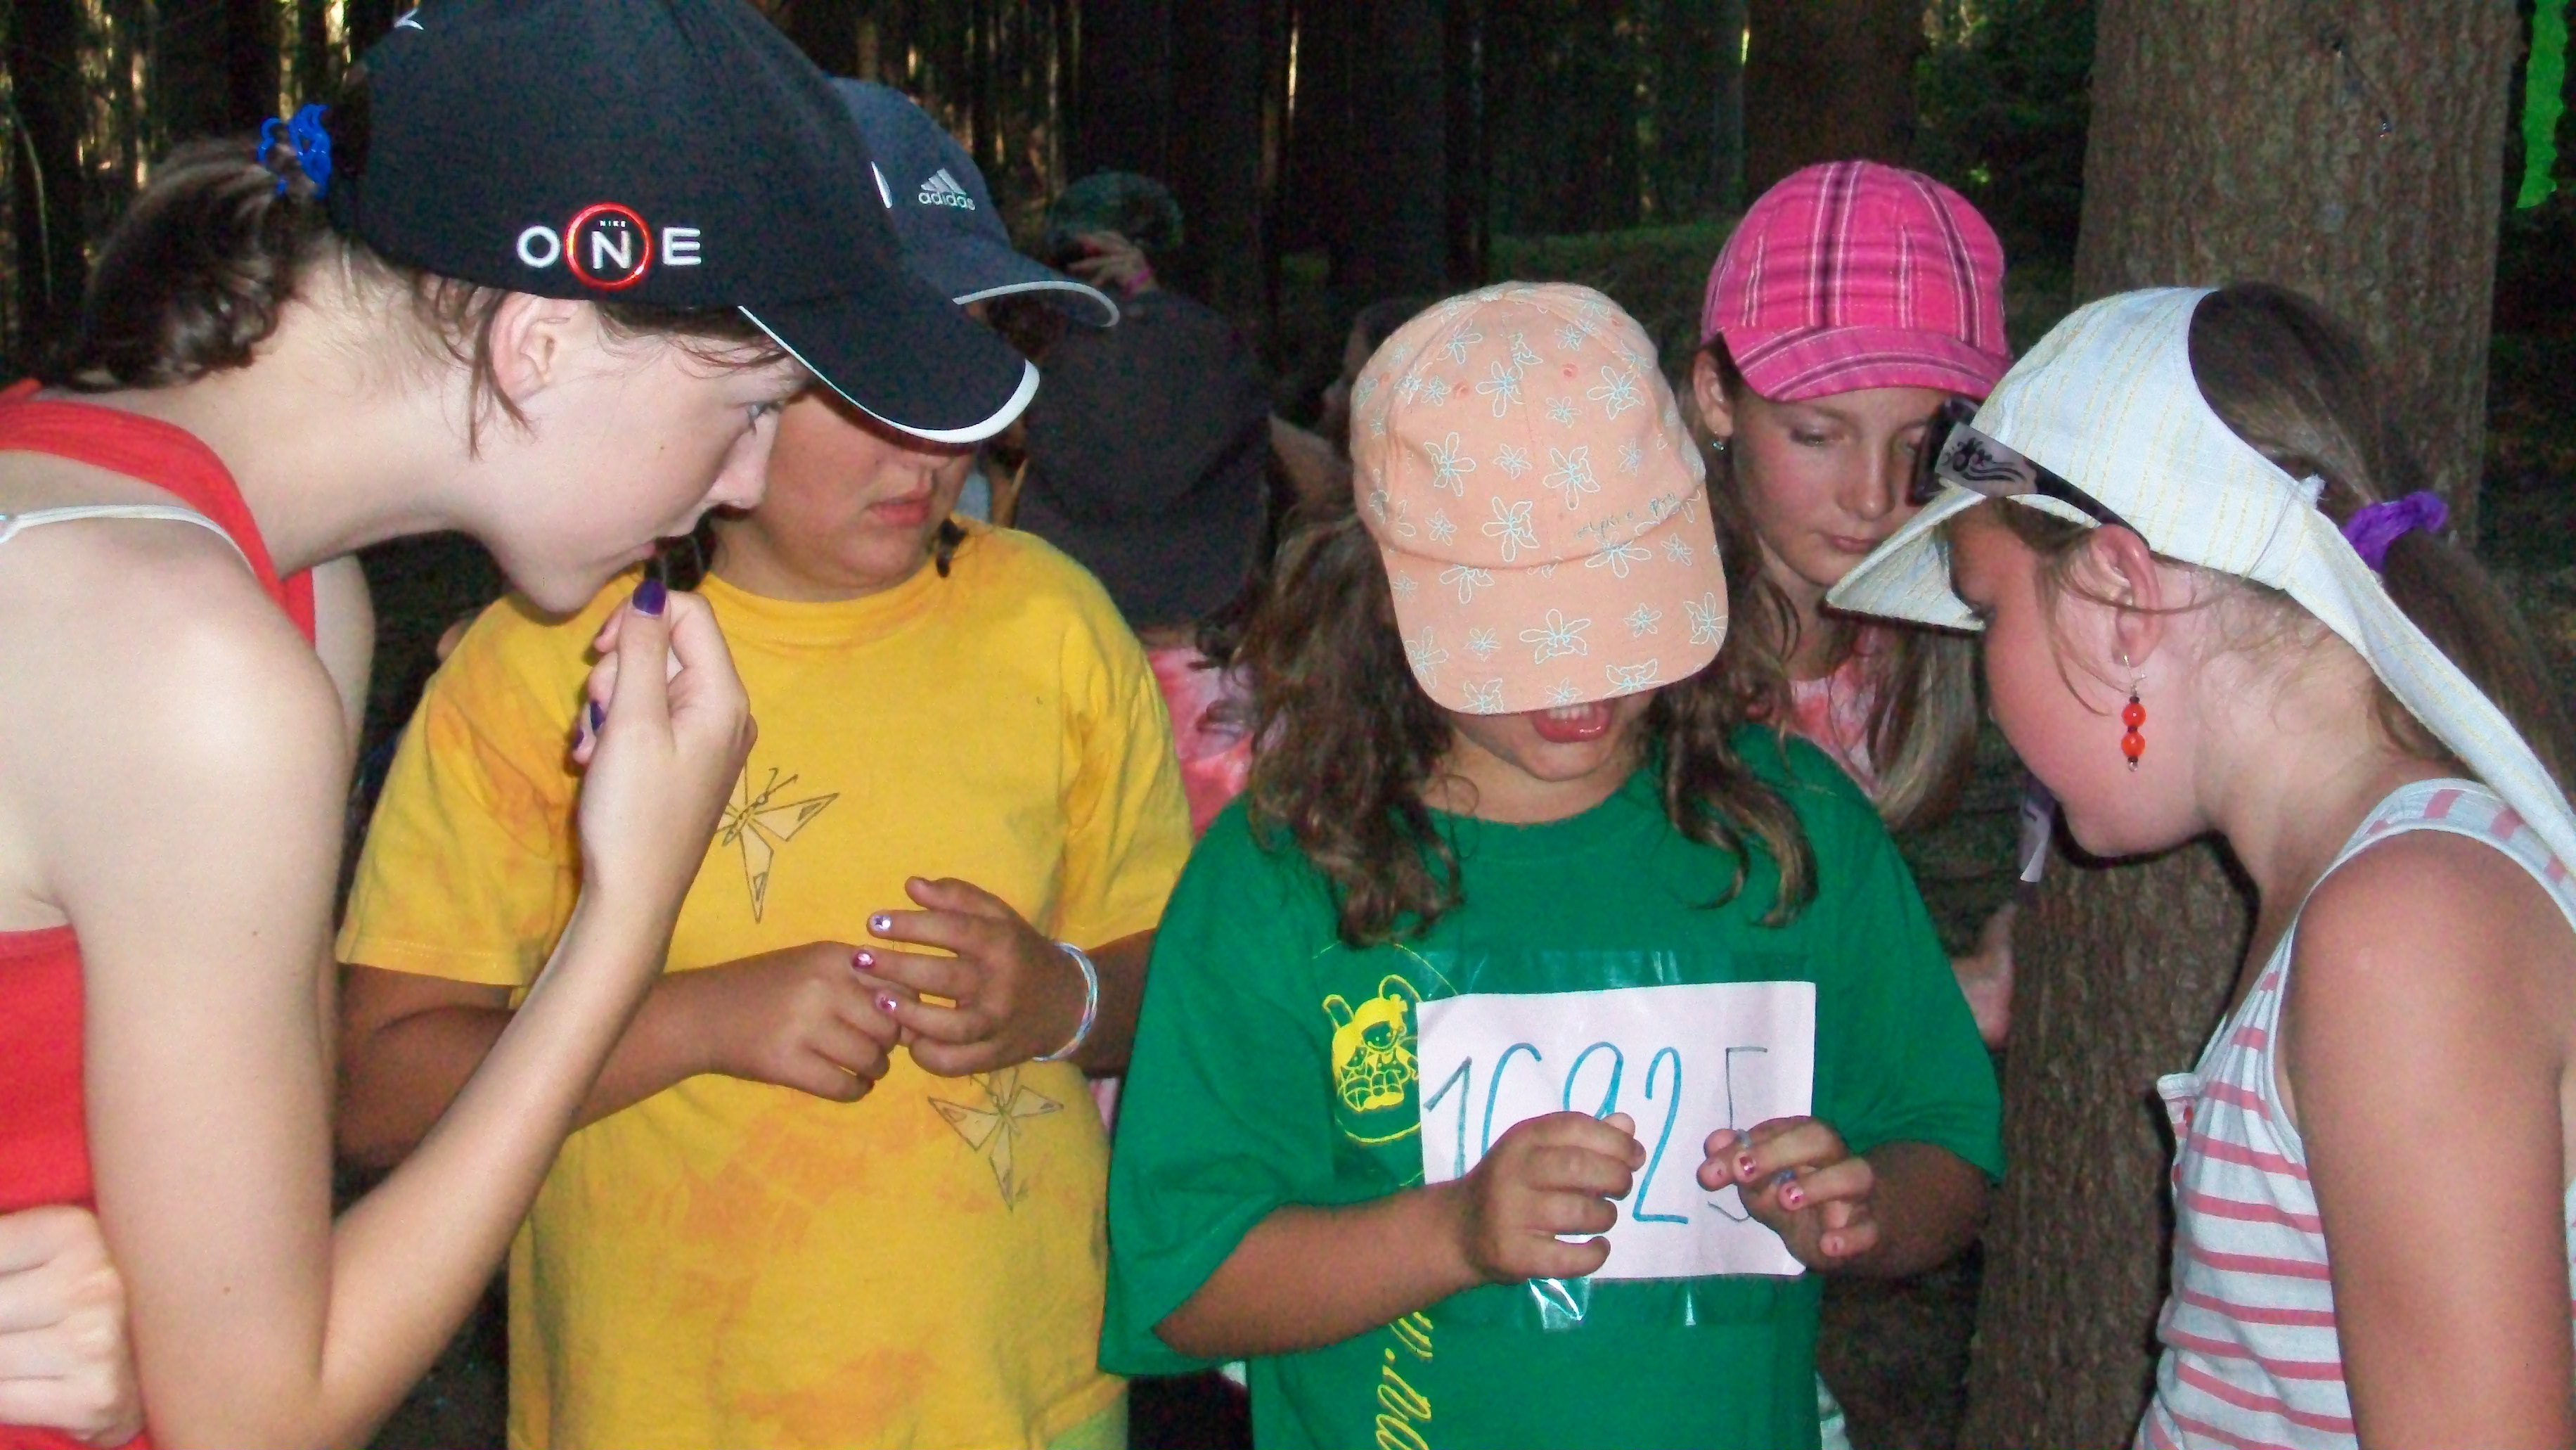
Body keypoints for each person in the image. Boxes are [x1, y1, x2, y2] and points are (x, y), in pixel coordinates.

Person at [0, 3, 1031, 1446]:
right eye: (751, 404)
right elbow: (255, 1414)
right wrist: (624, 921)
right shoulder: (189, 662)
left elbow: (231, 1289)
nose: (744, 482)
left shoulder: (284, 586)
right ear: (540, 341)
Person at [333, 84, 1190, 1450]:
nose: (930, 440)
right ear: (712, 365)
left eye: (959, 363)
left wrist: (1061, 995)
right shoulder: (546, 658)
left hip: (1019, 1400)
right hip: (656, 1407)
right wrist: (693, 1022)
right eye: (862, 383)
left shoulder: (1052, 623)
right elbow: (376, 1091)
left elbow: (1174, 988)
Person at [1100, 283, 2001, 1448]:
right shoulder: (1280, 876)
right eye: (1515, 626)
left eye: (1619, 609)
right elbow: (1184, 1281)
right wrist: (1451, 1234)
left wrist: (1866, 1207)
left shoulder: (1794, 830)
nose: (1576, 673)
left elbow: (1945, 1146)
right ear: (1382, 600)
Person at [1827, 283, 2576, 1449]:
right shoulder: (2369, 901)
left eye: (1987, 615)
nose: (1988, 680)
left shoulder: (2402, 929)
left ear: (2121, 600)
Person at [1692, 160, 2019, 1046]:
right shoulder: (1630, 668)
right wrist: (1937, 1000)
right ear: (1716, 397)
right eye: (1817, 434)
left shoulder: (1980, 654)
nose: (1872, 495)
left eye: (1920, 444)